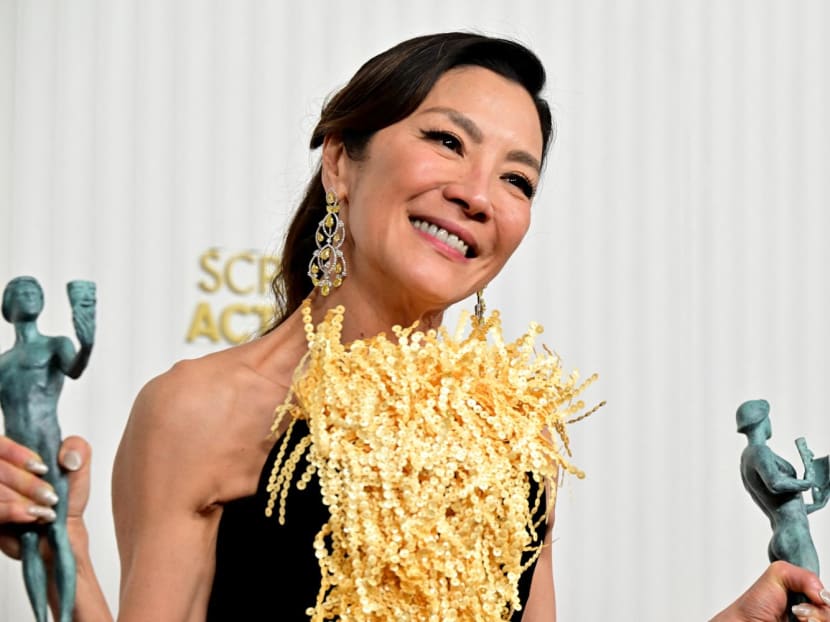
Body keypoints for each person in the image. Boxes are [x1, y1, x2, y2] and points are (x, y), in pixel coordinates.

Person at [1, 32, 829, 622]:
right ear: (339, 162)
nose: (479, 193)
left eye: (517, 178)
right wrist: (58, 542)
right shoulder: (202, 409)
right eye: (445, 141)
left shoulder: (516, 428)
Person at [0, 277, 96, 622]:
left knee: (58, 532)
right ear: (6, 308)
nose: (29, 296)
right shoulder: (3, 362)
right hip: (18, 458)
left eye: (35, 292)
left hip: (48, 449)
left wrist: (87, 343)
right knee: (28, 538)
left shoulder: (55, 345)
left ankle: (65, 617)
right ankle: (42, 618)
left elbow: (75, 368)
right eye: (21, 293)